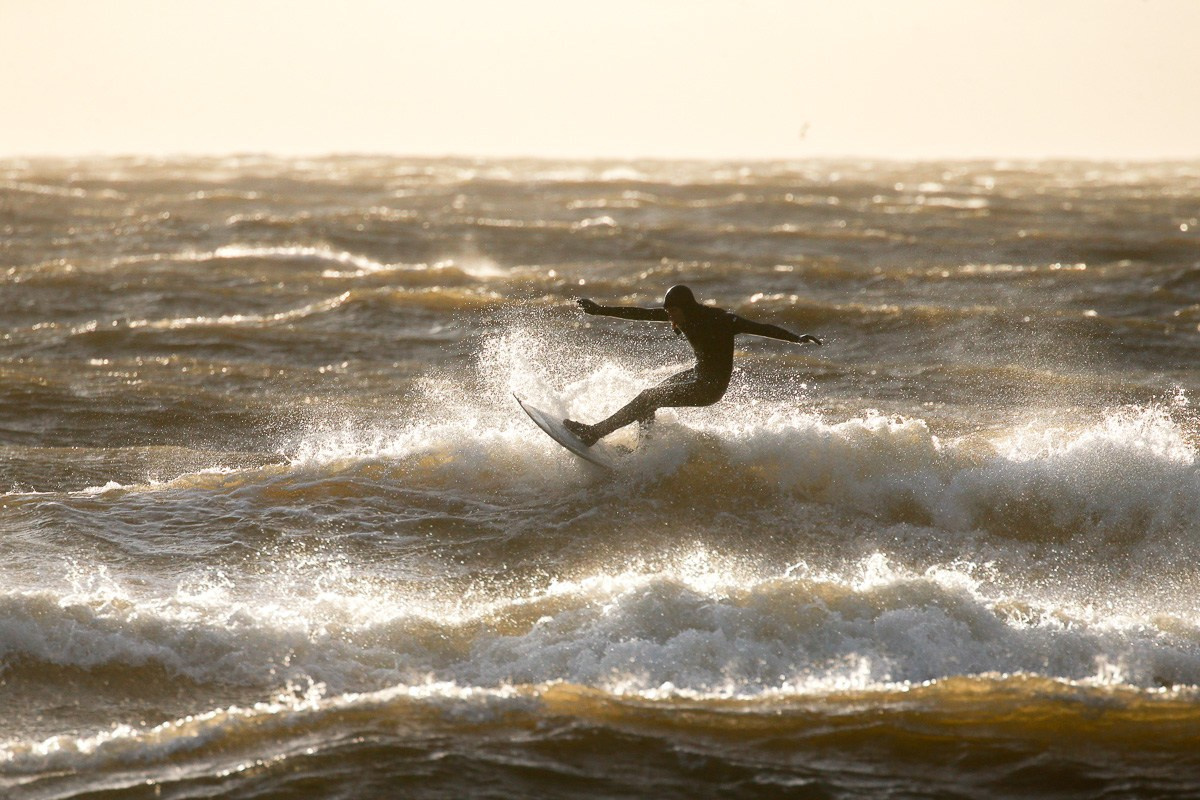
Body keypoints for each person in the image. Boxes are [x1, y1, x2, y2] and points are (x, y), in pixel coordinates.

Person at [563, 284, 822, 446]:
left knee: (648, 397)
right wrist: (599, 310)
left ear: (686, 307)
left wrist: (796, 338)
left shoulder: (722, 321)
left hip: (710, 388)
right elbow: (641, 313)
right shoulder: (680, 316)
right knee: (650, 398)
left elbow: (761, 328)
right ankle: (645, 449)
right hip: (697, 375)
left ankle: (594, 433)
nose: (670, 318)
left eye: (673, 312)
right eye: (668, 312)